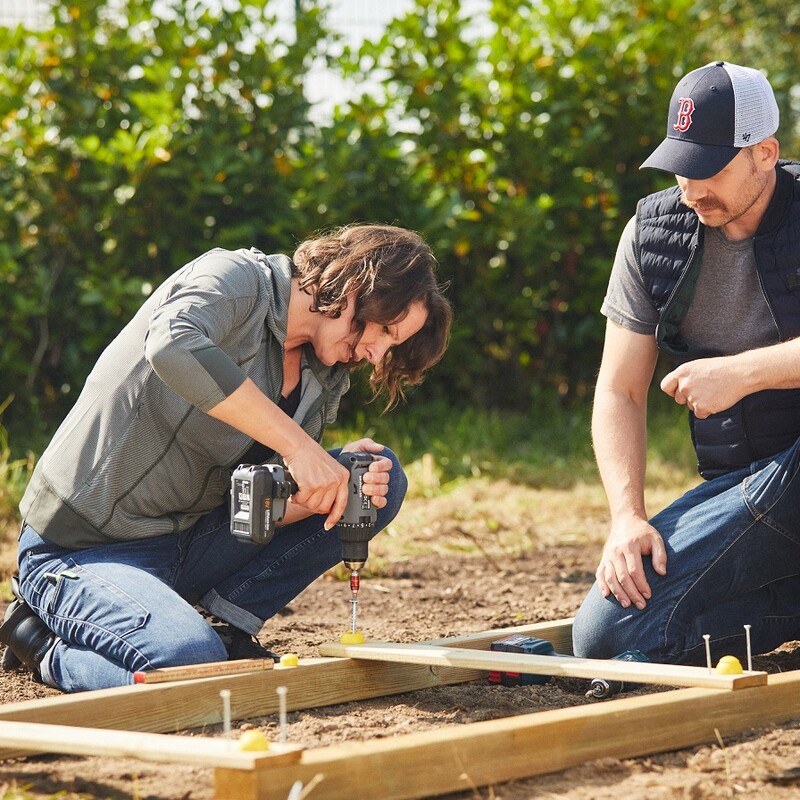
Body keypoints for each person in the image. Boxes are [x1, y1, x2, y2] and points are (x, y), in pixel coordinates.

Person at [0, 223, 452, 692]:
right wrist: (300, 448)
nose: (377, 354)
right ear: (357, 286)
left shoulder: (325, 369)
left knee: (378, 478)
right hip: (82, 550)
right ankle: (43, 645)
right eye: (384, 330)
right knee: (188, 662)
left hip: (187, 542)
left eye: (392, 347)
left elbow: (250, 503)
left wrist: (326, 490)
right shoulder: (236, 279)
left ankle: (223, 626)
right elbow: (173, 343)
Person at [572, 61, 800, 667]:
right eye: (680, 165)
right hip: (748, 489)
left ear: (765, 153)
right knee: (603, 634)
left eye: (708, 168)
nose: (691, 188)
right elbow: (618, 391)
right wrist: (626, 517)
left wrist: (743, 372)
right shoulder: (651, 236)